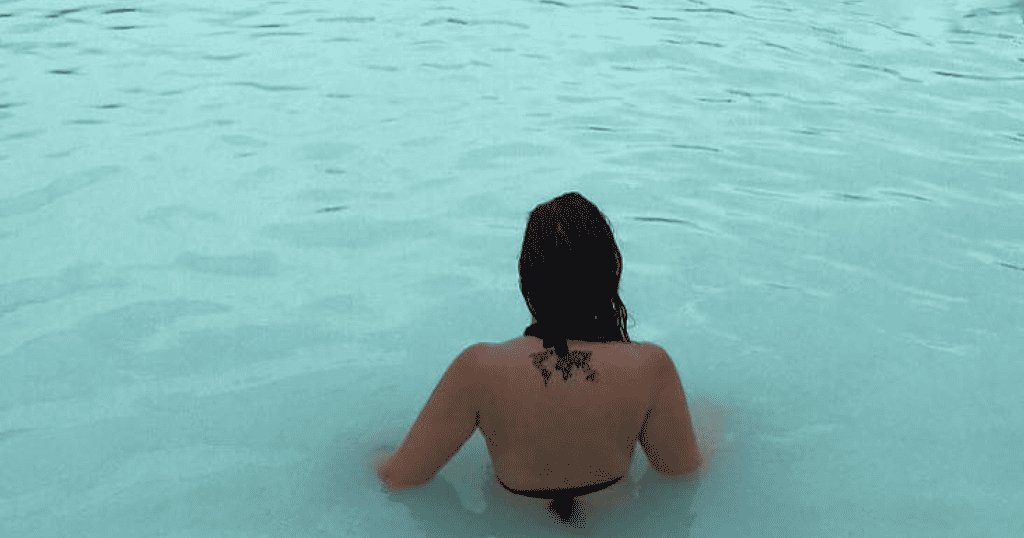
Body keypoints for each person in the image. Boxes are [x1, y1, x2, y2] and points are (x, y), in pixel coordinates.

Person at [375, 192, 703, 522]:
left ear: (525, 278)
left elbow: (401, 479)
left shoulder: (479, 368)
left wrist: (366, 454)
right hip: (614, 521)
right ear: (611, 271)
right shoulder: (649, 367)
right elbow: (681, 474)